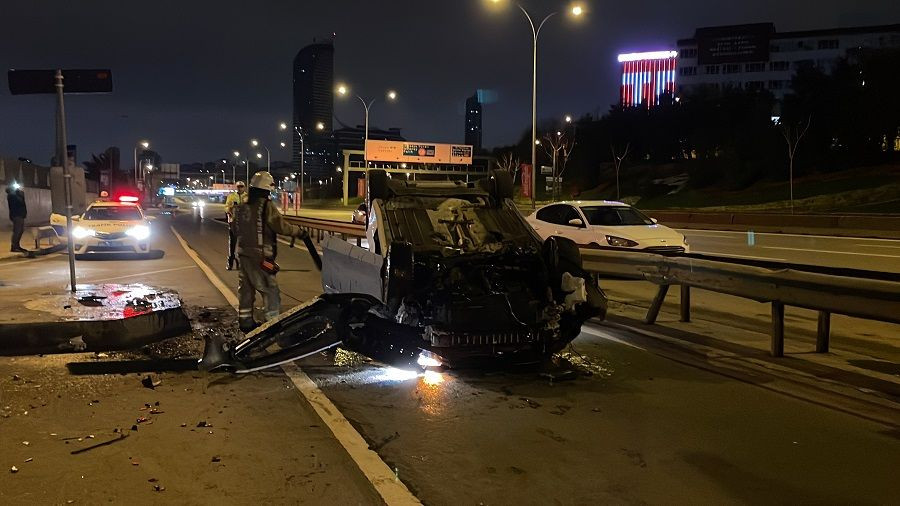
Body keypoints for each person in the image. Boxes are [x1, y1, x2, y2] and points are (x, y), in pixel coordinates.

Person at [235, 171, 308, 332]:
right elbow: (279, 225)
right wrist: (299, 232)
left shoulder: (241, 207)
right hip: (261, 257)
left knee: (246, 290)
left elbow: (235, 229)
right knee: (270, 290)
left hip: (243, 254)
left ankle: (245, 322)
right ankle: (272, 325)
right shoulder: (265, 206)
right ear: (266, 189)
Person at [224, 180, 247, 270]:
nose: (240, 188)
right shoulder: (231, 196)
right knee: (232, 243)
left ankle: (242, 262)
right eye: (238, 186)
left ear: (244, 187)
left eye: (241, 186)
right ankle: (230, 261)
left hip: (244, 223)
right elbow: (226, 206)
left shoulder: (247, 197)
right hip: (233, 222)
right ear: (236, 187)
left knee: (243, 244)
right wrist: (229, 210)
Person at [6, 183, 27, 253]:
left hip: (20, 214)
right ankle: (14, 246)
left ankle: (17, 245)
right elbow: (19, 202)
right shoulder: (12, 195)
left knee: (21, 230)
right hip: (16, 215)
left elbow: (22, 202)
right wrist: (20, 193)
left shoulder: (17, 194)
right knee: (17, 231)